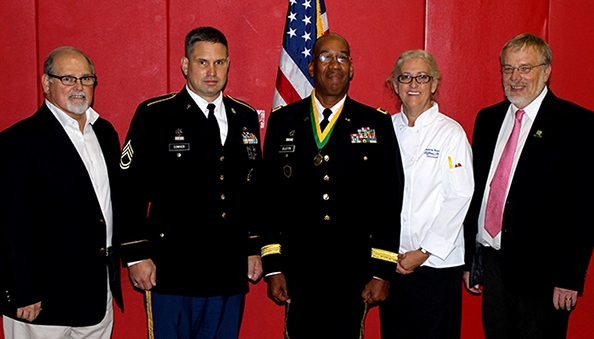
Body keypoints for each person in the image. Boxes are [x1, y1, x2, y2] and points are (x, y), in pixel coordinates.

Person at [119, 26, 262, 339]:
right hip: (173, 268)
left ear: (228, 64)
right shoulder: (156, 115)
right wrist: (136, 254)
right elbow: (128, 191)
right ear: (185, 65)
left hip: (229, 268)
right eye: (202, 62)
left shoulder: (245, 116)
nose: (212, 72)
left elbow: (251, 191)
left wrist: (253, 247)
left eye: (219, 62)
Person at [261, 33, 404, 339]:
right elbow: (270, 199)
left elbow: (388, 200)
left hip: (353, 271)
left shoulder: (374, 123)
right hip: (299, 269)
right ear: (311, 67)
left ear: (352, 69)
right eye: (325, 57)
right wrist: (273, 266)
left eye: (342, 57)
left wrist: (382, 271)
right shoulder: (283, 121)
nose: (334, 65)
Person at [463, 33, 594, 339]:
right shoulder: (488, 119)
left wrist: (569, 277)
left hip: (544, 276)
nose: (515, 77)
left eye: (525, 68)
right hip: (493, 265)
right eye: (507, 69)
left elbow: (585, 207)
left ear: (546, 70)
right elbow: (478, 193)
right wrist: (473, 261)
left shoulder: (577, 125)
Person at [0, 46, 123, 339]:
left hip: (96, 294)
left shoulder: (105, 133)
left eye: (86, 79)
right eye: (68, 79)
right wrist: (22, 290)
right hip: (41, 300)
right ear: (46, 83)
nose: (79, 87)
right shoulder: (18, 142)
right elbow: (9, 225)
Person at [379, 50, 473, 339]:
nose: (413, 84)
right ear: (395, 85)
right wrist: (384, 253)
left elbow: (459, 196)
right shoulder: (384, 129)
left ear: (434, 84)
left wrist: (422, 252)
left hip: (435, 267)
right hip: (392, 262)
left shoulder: (450, 133)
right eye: (405, 77)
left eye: (422, 77)